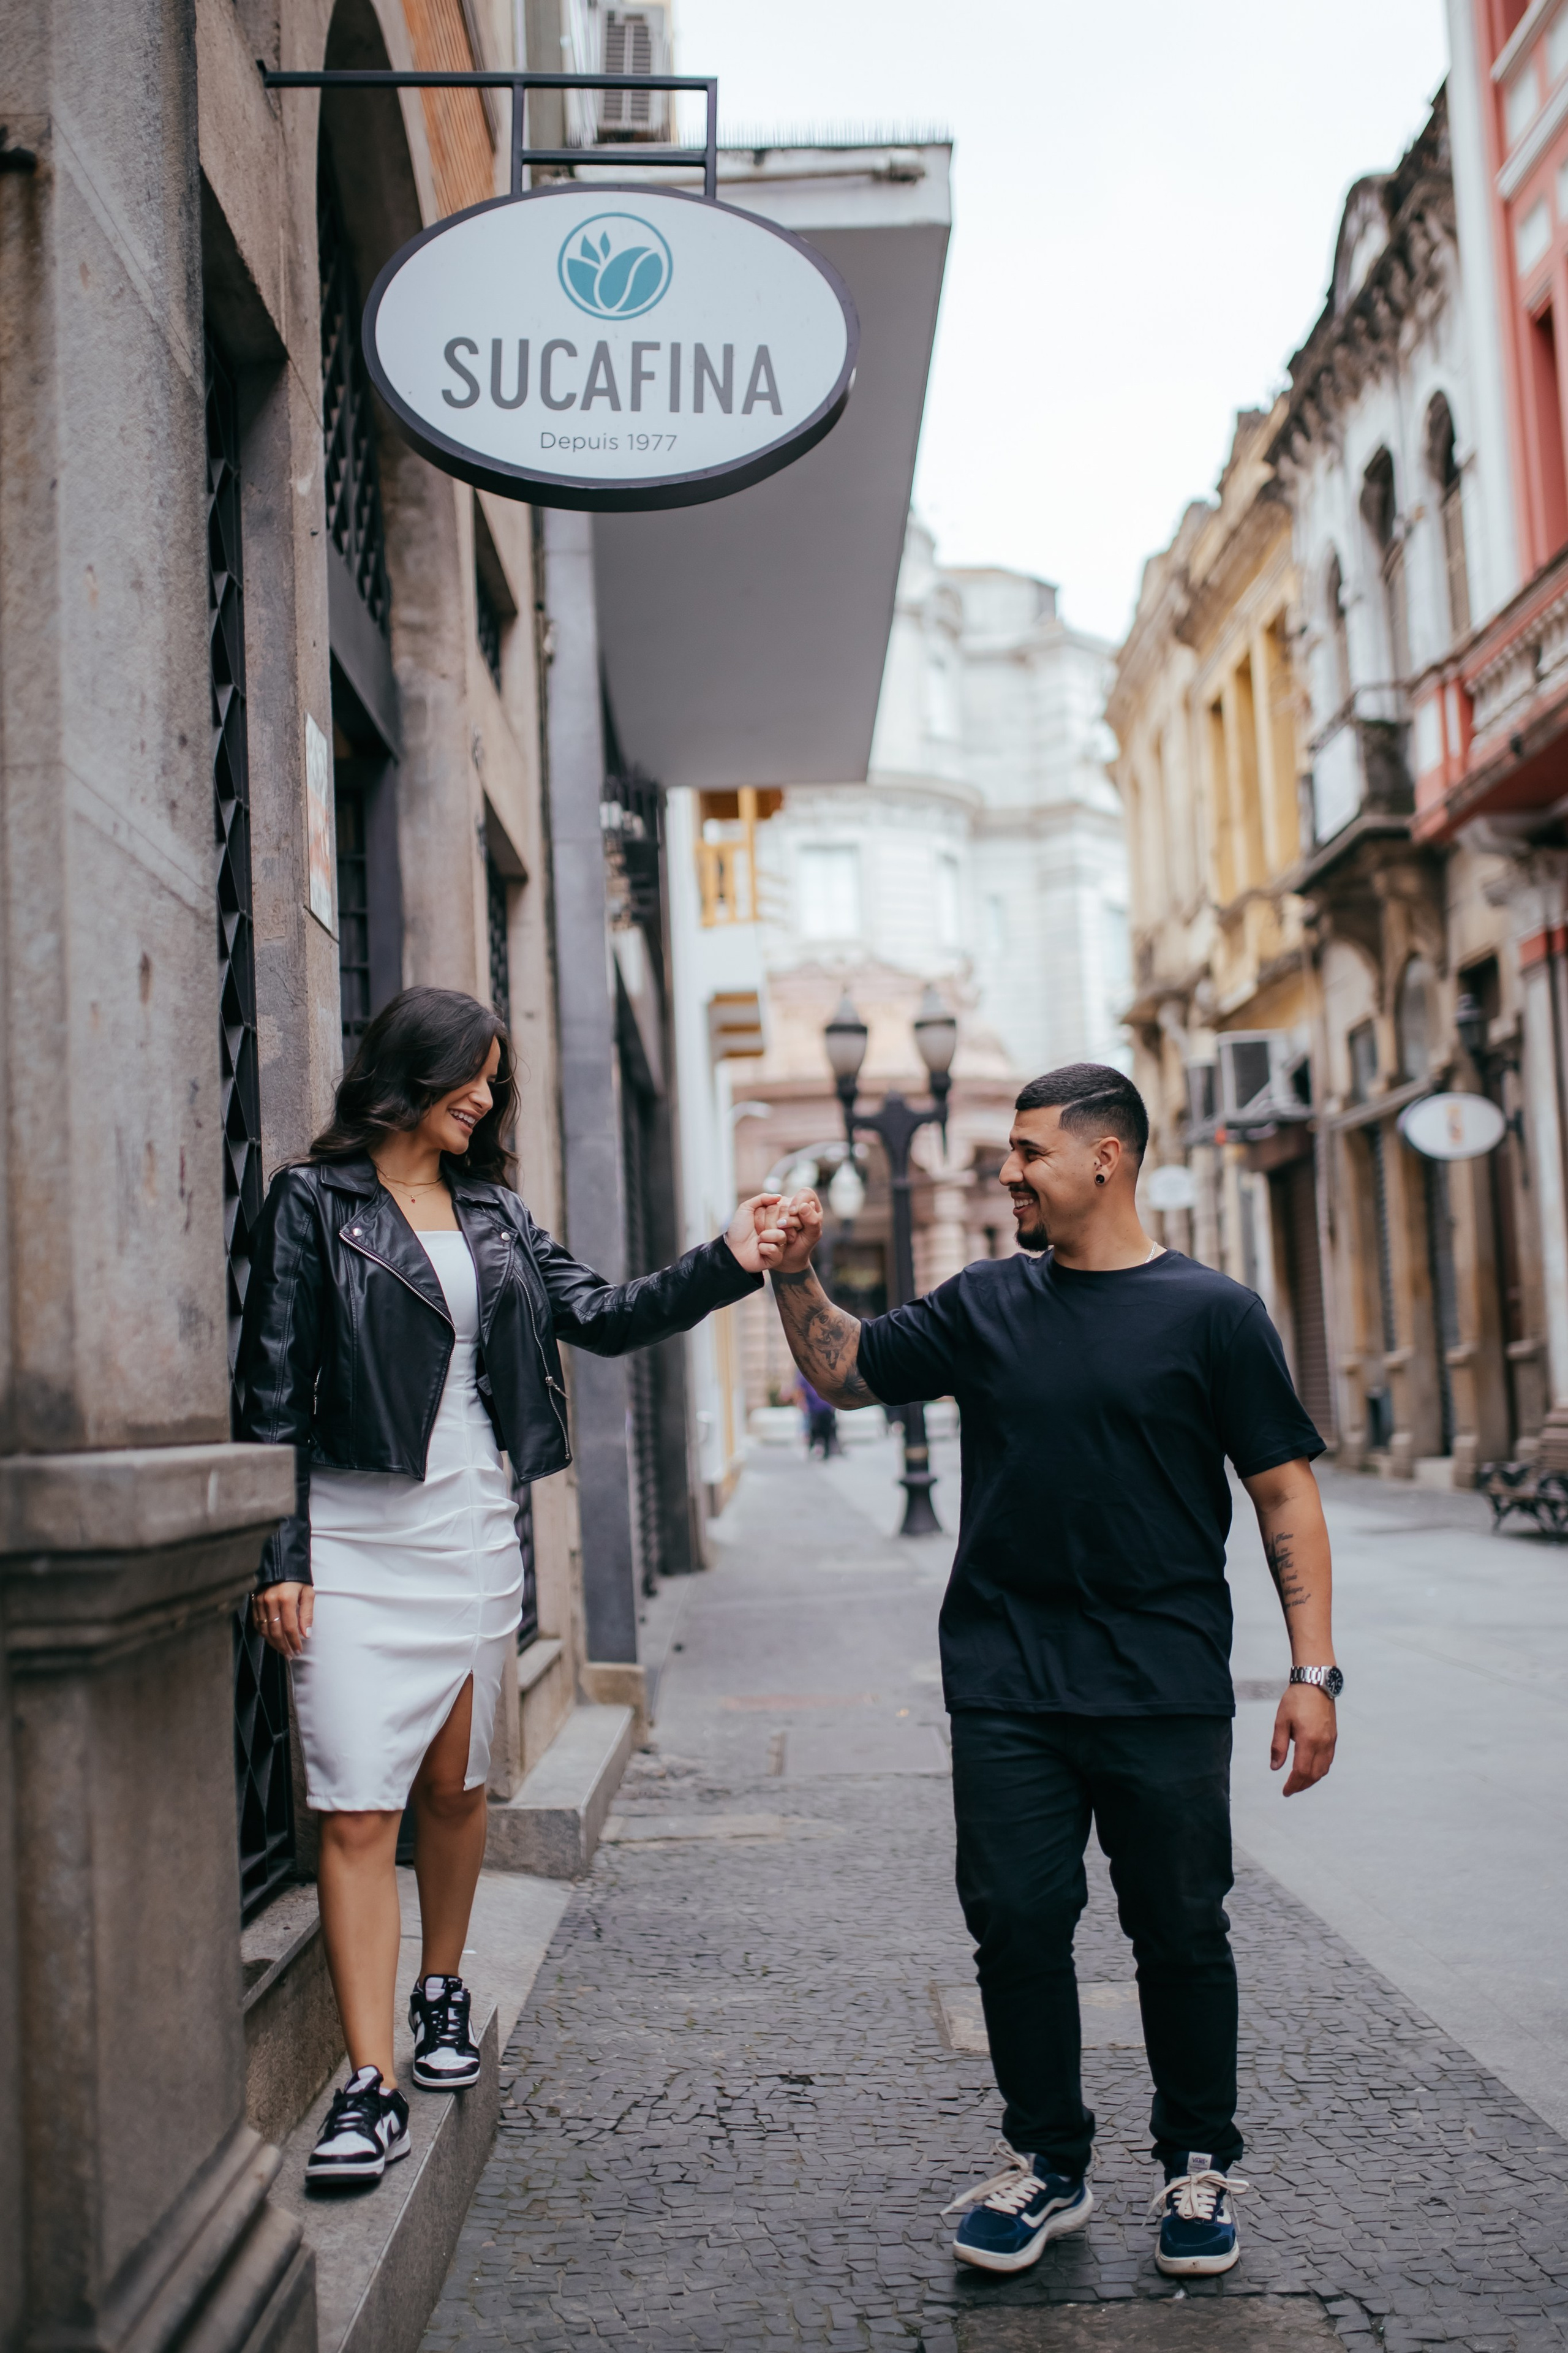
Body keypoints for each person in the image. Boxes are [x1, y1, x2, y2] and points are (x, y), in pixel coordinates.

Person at [764, 1062, 1338, 2280]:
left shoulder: (1213, 1314)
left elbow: (1281, 1488)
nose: (1006, 1172)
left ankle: (1194, 2164)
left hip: (1164, 1683)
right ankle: (1048, 2165)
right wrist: (791, 1269)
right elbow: (845, 1369)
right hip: (1006, 1683)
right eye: (1007, 1154)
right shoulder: (984, 1303)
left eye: (1026, 1153)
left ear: (1104, 1159)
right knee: (1017, 1923)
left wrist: (1313, 1671)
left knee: (1180, 1929)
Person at [238, 986, 787, 2188]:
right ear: (407, 1072)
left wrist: (729, 1262)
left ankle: (444, 1987)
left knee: (451, 1782)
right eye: (468, 1074)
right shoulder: (312, 1203)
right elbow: (270, 1387)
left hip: (472, 1529)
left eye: (496, 1077)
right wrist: (280, 1559)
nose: (485, 1095)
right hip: (351, 1531)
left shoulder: (492, 1209)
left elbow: (598, 1312)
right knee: (350, 1805)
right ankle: (366, 2083)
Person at [797, 1372, 841, 1458]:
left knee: (827, 1431)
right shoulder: (806, 1372)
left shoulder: (827, 1371)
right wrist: (803, 1404)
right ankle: (811, 1450)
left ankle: (827, 1452)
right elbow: (801, 1389)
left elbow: (834, 1388)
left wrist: (835, 1404)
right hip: (814, 1408)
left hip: (826, 1407)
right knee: (814, 1430)